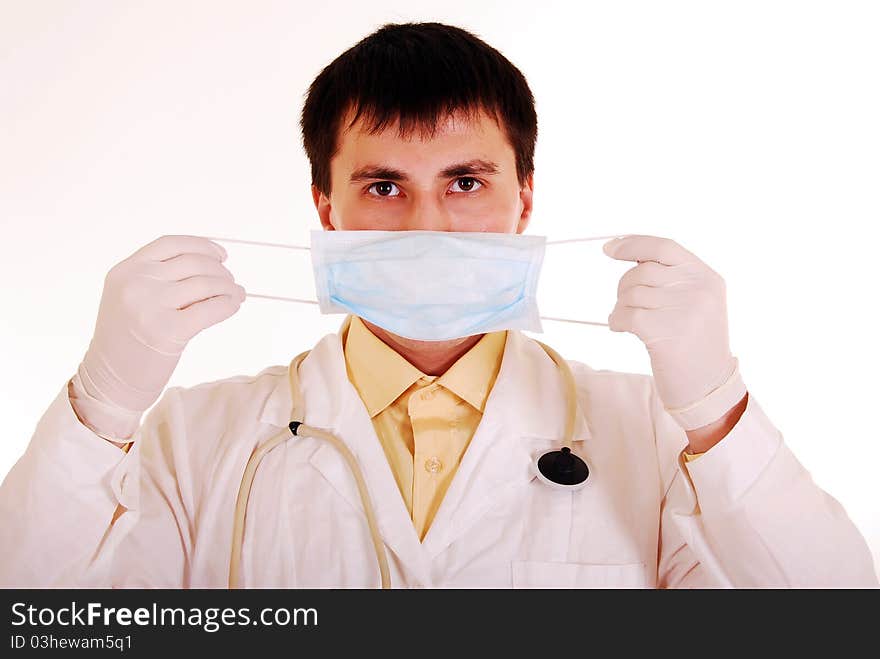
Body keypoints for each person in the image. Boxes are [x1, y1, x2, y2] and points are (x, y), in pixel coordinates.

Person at [0, 22, 875, 588]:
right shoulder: (196, 441)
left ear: (524, 198)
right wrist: (100, 407)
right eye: (383, 185)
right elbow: (44, 621)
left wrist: (718, 408)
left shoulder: (651, 437)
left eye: (465, 180)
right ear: (324, 208)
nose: (427, 224)